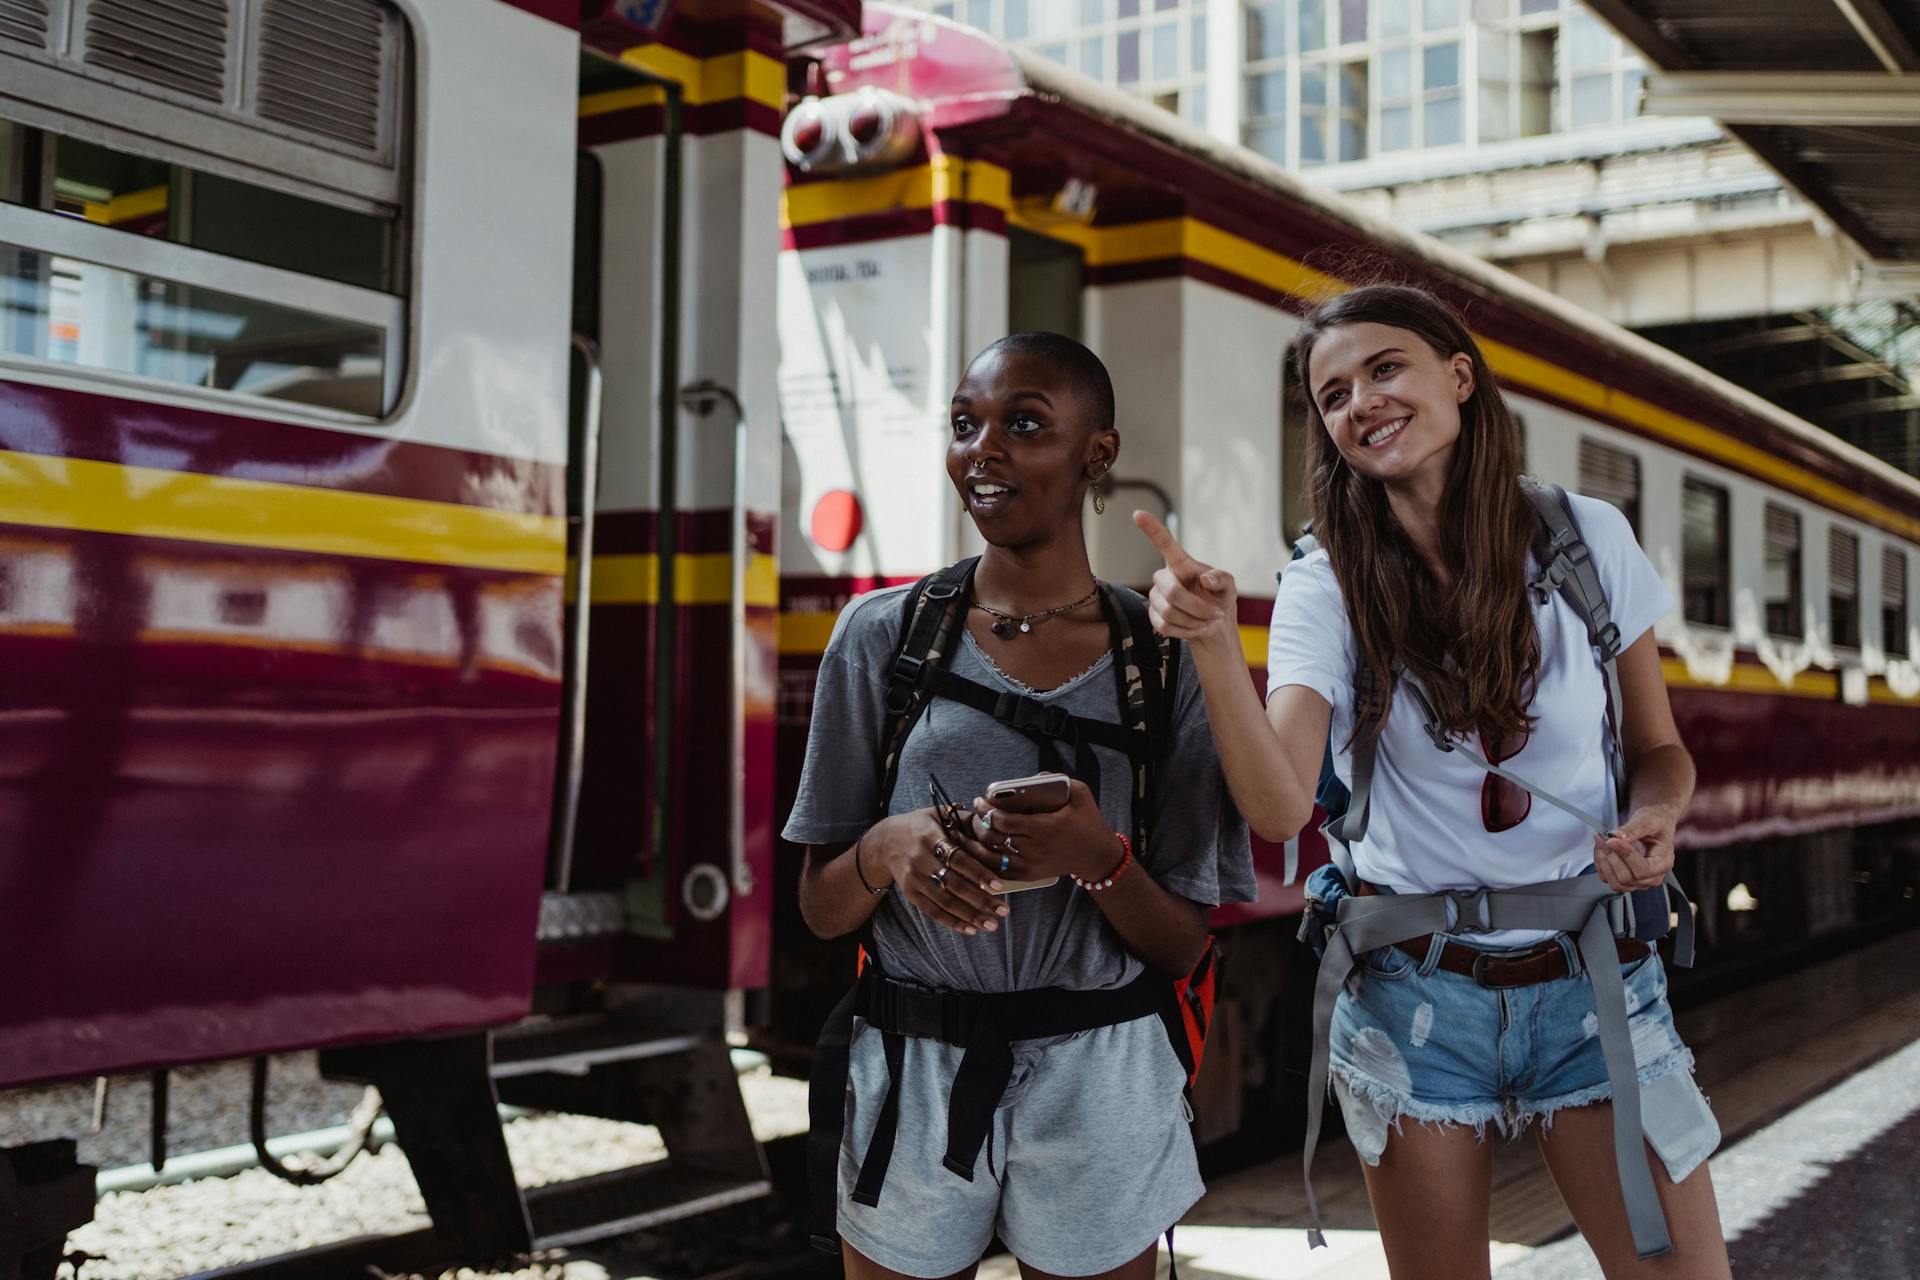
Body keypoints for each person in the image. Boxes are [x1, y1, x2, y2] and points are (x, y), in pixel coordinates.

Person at [1135, 284, 1731, 1280]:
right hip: (1416, 1001)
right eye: (1332, 393)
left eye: (1383, 369)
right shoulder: (1325, 583)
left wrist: (1656, 818)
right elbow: (1282, 805)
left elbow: (1661, 750)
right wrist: (1207, 645)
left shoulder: (1588, 540)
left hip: (1595, 985)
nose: (1359, 401)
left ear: (1459, 376)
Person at [786, 331, 1254, 1280]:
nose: (982, 449)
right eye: (965, 425)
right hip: (912, 1065)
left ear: (1099, 454)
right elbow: (820, 908)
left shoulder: (1165, 660)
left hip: (1104, 1073)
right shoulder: (882, 636)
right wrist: (885, 849)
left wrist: (1099, 855)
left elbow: (1184, 947)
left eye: (1025, 424)